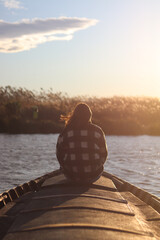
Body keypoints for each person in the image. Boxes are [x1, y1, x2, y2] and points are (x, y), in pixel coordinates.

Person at [56, 103, 108, 183]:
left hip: (71, 176)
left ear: (75, 116)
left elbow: (59, 155)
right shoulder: (98, 131)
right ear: (89, 116)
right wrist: (96, 165)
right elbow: (104, 154)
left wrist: (66, 167)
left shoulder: (66, 132)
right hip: (93, 175)